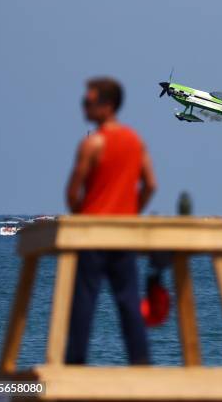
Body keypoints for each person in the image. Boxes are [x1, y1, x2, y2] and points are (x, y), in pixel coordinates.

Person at [65, 77, 157, 364]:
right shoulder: (136, 141)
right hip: (123, 233)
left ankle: (76, 362)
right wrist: (131, 212)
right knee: (129, 301)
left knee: (84, 302)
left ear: (107, 105)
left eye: (88, 101)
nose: (84, 106)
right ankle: (140, 361)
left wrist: (82, 214)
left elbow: (72, 192)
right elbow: (151, 185)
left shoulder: (92, 144)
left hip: (93, 234)